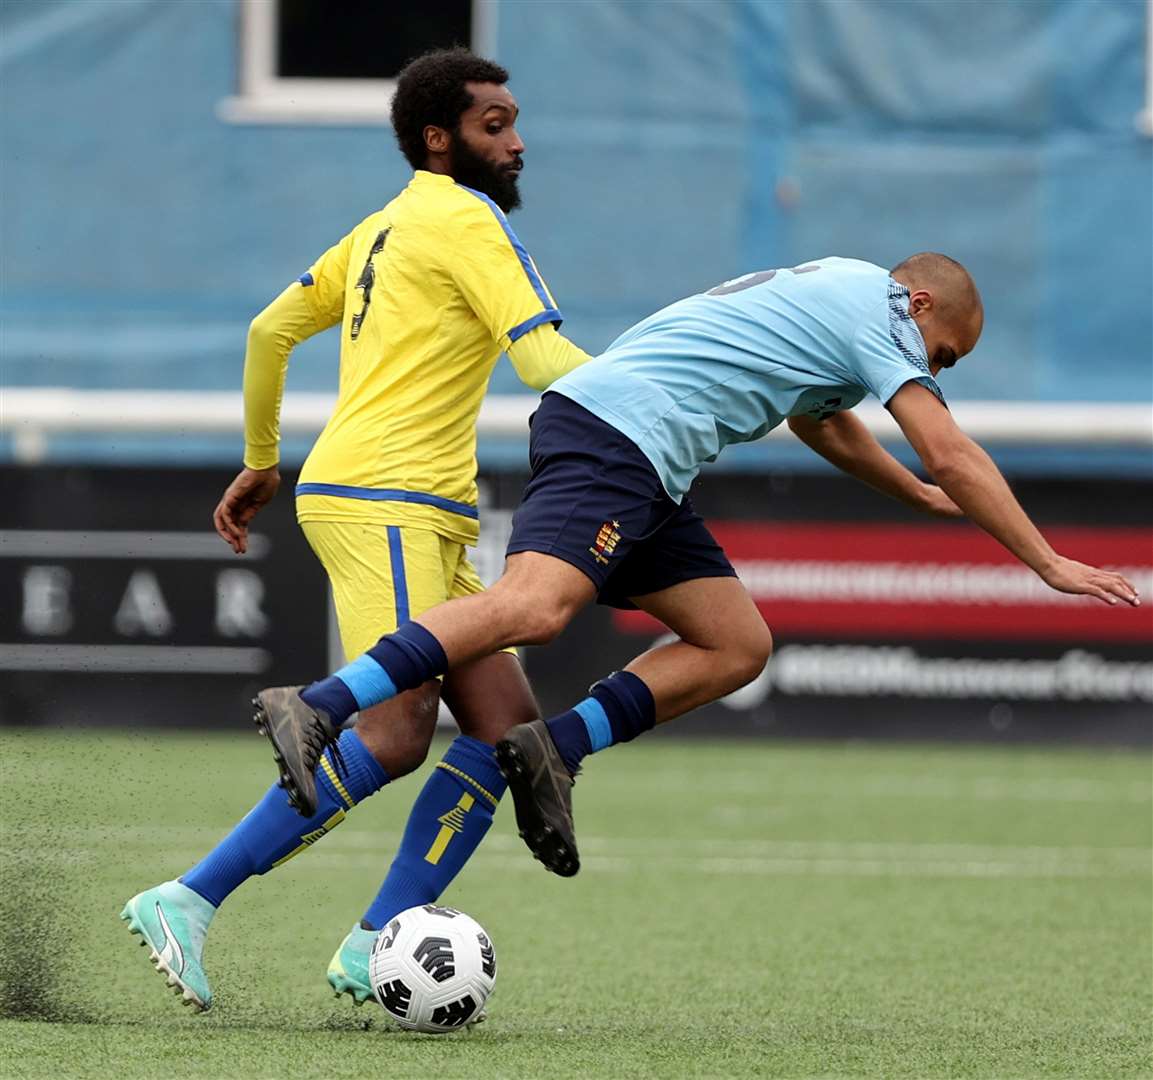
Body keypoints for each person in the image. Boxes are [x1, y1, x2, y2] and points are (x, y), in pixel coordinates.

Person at [253, 253, 1141, 880]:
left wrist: (909, 496)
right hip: (616, 434)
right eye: (944, 353)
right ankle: (322, 705)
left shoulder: (841, 301)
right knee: (535, 608)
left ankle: (552, 749)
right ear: (917, 304)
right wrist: (1048, 561)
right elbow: (950, 451)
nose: (936, 370)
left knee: (734, 642)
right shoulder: (879, 312)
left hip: (653, 459)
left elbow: (818, 419)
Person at [120, 48, 592, 1012]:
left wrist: (262, 458)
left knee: (511, 734)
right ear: (438, 138)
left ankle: (375, 937)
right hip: (388, 496)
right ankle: (188, 897)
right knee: (398, 726)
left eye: (513, 121)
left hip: (408, 503)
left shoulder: (384, 225)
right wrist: (671, 396)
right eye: (493, 124)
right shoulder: (465, 218)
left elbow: (267, 331)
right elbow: (545, 359)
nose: (516, 141)